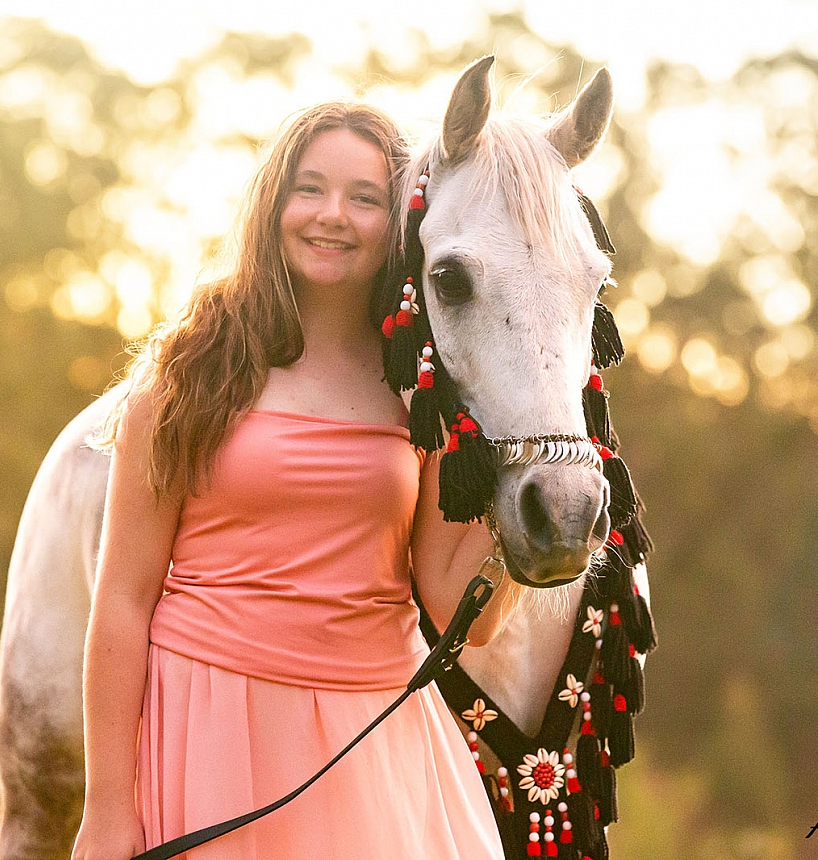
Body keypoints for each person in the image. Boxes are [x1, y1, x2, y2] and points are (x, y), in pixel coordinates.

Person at [70, 101, 519, 860]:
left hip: (371, 738)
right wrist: (107, 810)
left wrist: (522, 478)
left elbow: (465, 616)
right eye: (309, 189)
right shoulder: (190, 371)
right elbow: (121, 601)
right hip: (209, 722)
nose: (332, 216)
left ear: (400, 221)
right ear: (273, 204)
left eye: (365, 198)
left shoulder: (423, 386)